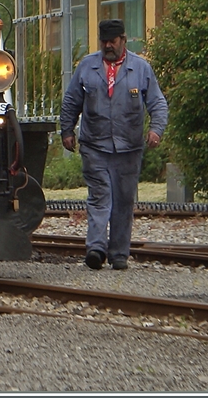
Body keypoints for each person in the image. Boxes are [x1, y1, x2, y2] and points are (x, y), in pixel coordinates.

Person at [60, 18, 168, 270]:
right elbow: (71, 101)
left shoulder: (141, 69)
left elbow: (157, 103)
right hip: (94, 146)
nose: (108, 45)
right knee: (100, 197)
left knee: (123, 200)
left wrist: (156, 130)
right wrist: (67, 130)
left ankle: (119, 253)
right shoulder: (87, 67)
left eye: (113, 41)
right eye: (104, 41)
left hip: (129, 148)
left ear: (123, 40)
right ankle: (96, 248)